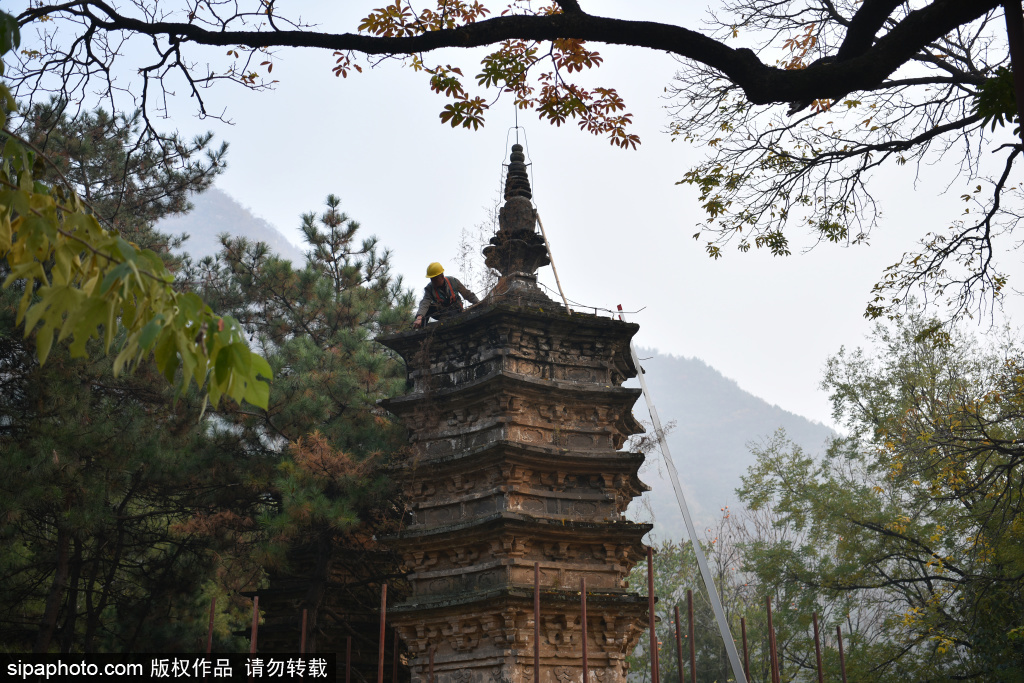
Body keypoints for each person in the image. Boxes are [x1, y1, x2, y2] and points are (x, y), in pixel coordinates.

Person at [413, 262, 479, 328]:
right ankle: (420, 328)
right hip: (441, 311)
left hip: (455, 310)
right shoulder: (429, 288)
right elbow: (425, 302)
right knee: (428, 309)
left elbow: (467, 294)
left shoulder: (454, 281)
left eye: (435, 279)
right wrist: (419, 317)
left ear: (442, 276)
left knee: (452, 315)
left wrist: (478, 303)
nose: (433, 281)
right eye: (431, 279)